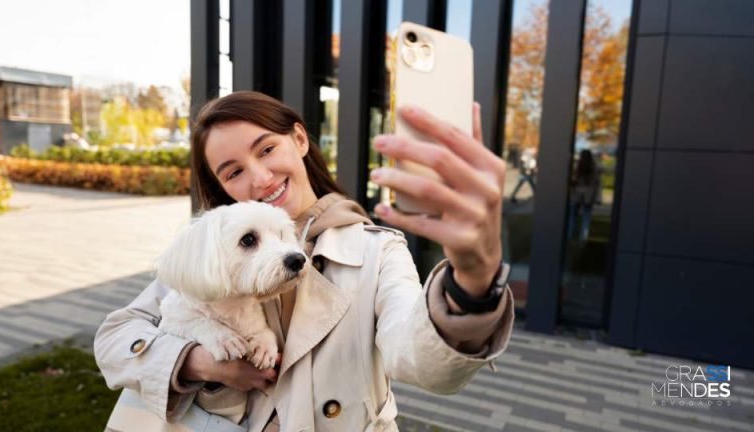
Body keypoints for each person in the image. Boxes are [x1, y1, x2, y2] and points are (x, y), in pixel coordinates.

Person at [94, 91, 515, 432]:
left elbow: (420, 361)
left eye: (267, 149)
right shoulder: (211, 254)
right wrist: (200, 362)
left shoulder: (376, 251)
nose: (259, 178)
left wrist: (472, 282)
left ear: (299, 139)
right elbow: (114, 340)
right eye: (233, 172)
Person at [567, 149, 600, 242]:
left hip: (577, 195)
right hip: (588, 196)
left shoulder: (577, 167)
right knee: (586, 217)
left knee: (572, 216)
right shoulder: (594, 168)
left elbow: (573, 181)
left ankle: (569, 235)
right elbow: (595, 183)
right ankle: (583, 238)